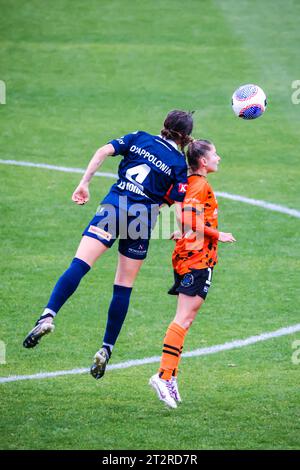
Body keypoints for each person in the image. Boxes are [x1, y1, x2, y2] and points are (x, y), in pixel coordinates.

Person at [23, 110, 194, 381]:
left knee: (79, 265)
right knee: (123, 286)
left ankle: (47, 316)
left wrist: (84, 183)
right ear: (186, 138)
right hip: (141, 219)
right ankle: (106, 348)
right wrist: (180, 228)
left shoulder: (139, 138)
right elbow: (180, 201)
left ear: (163, 126)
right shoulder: (178, 165)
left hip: (113, 208)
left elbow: (103, 151)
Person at [149, 139, 236, 408]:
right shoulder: (200, 184)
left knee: (185, 319)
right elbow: (188, 218)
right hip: (197, 258)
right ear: (203, 161)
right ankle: (163, 376)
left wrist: (183, 231)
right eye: (215, 154)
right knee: (183, 319)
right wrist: (216, 234)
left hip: (191, 254)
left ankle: (171, 377)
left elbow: (184, 213)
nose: (218, 158)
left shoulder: (191, 183)